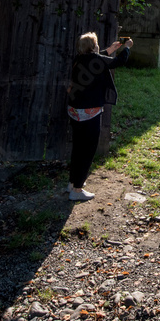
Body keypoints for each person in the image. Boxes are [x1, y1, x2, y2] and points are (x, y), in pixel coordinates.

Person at [66, 31, 132, 201]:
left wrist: (110, 49)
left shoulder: (79, 59)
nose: (98, 46)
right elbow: (118, 62)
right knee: (87, 149)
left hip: (74, 110)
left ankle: (73, 182)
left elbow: (97, 60)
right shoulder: (96, 59)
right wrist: (127, 48)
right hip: (89, 113)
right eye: (96, 43)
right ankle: (77, 190)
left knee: (78, 147)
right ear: (92, 46)